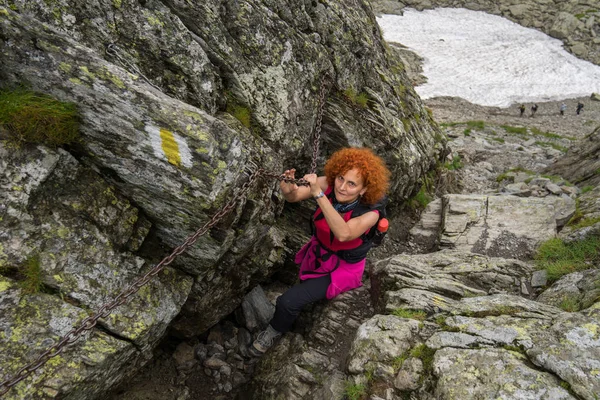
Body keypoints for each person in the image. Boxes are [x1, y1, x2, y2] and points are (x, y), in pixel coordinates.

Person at [251, 147, 391, 355]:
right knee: (301, 290)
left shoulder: (370, 214)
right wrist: (288, 188)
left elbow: (343, 233)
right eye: (341, 178)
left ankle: (274, 331)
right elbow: (294, 196)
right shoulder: (329, 184)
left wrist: (318, 194)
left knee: (287, 301)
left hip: (343, 268)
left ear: (363, 190)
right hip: (319, 253)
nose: (342, 187)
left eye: (352, 184)